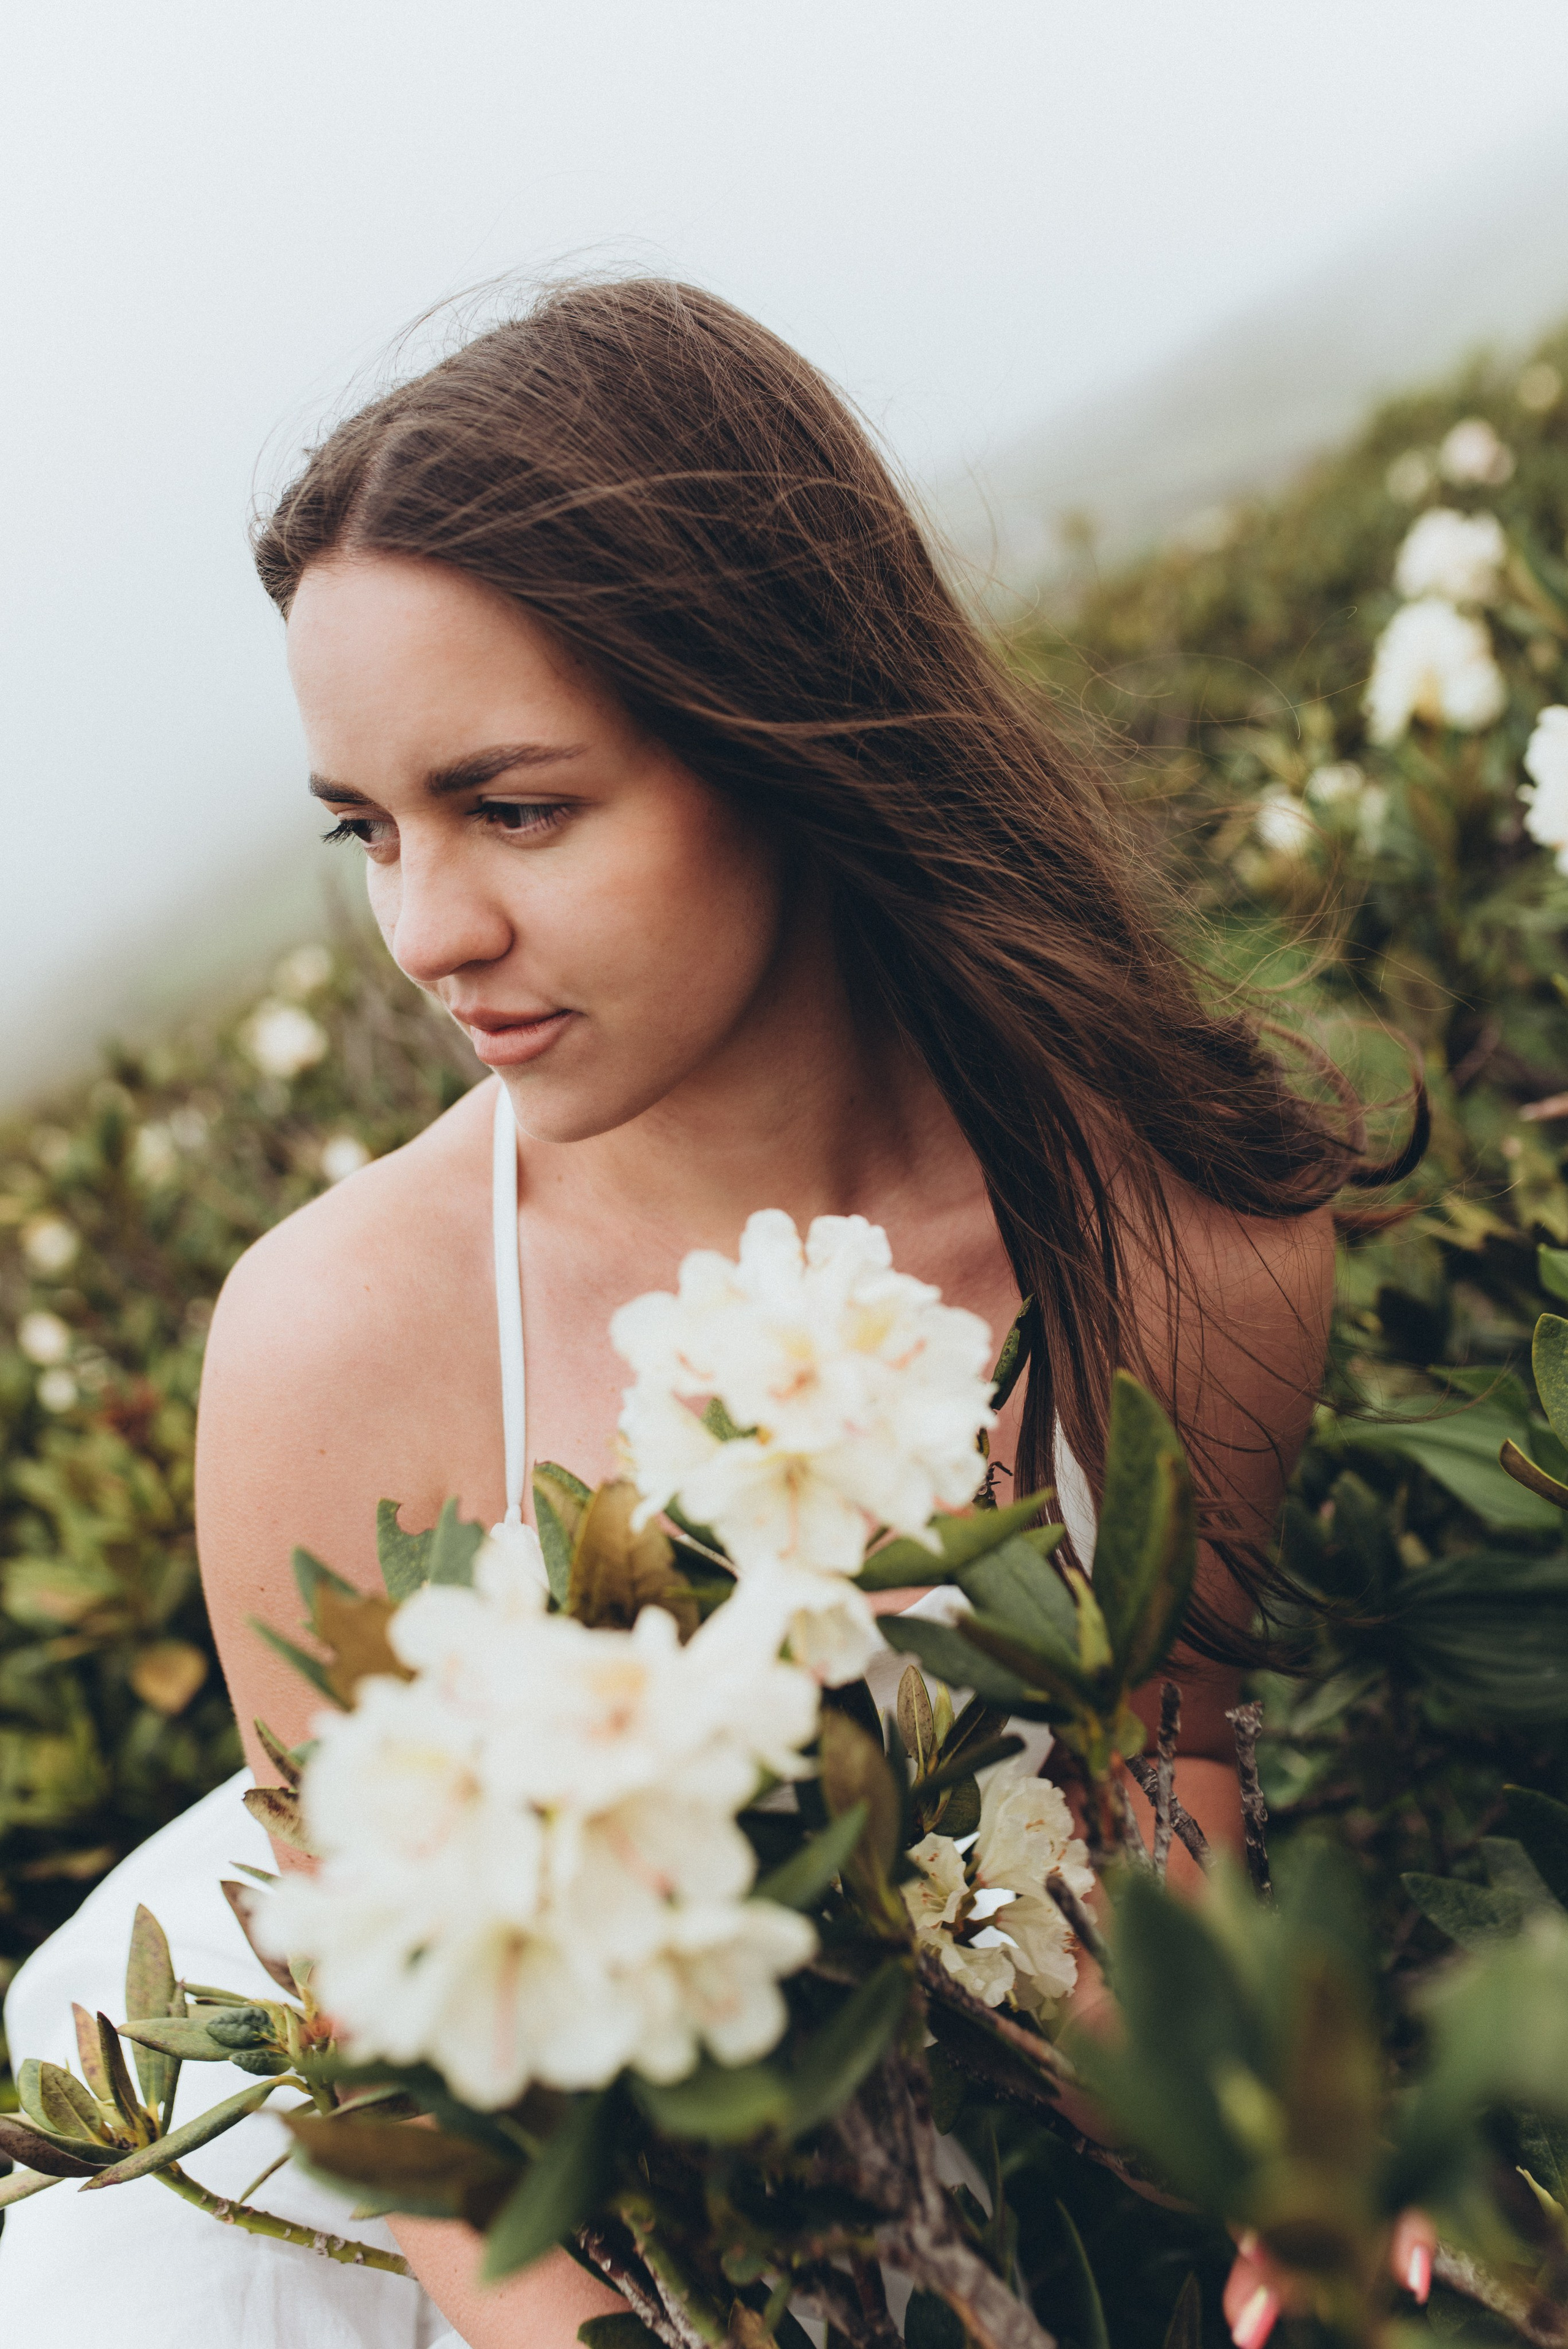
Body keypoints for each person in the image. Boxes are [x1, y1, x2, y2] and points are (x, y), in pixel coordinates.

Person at [3, 279, 1395, 2347]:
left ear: (786, 732)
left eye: (517, 806)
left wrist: (1292, 2166)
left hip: (874, 2149)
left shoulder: (1187, 1234)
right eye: (367, 832)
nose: (425, 931)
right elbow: (392, 2053)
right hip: (402, 2234)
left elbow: (1163, 1759)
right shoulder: (329, 1340)